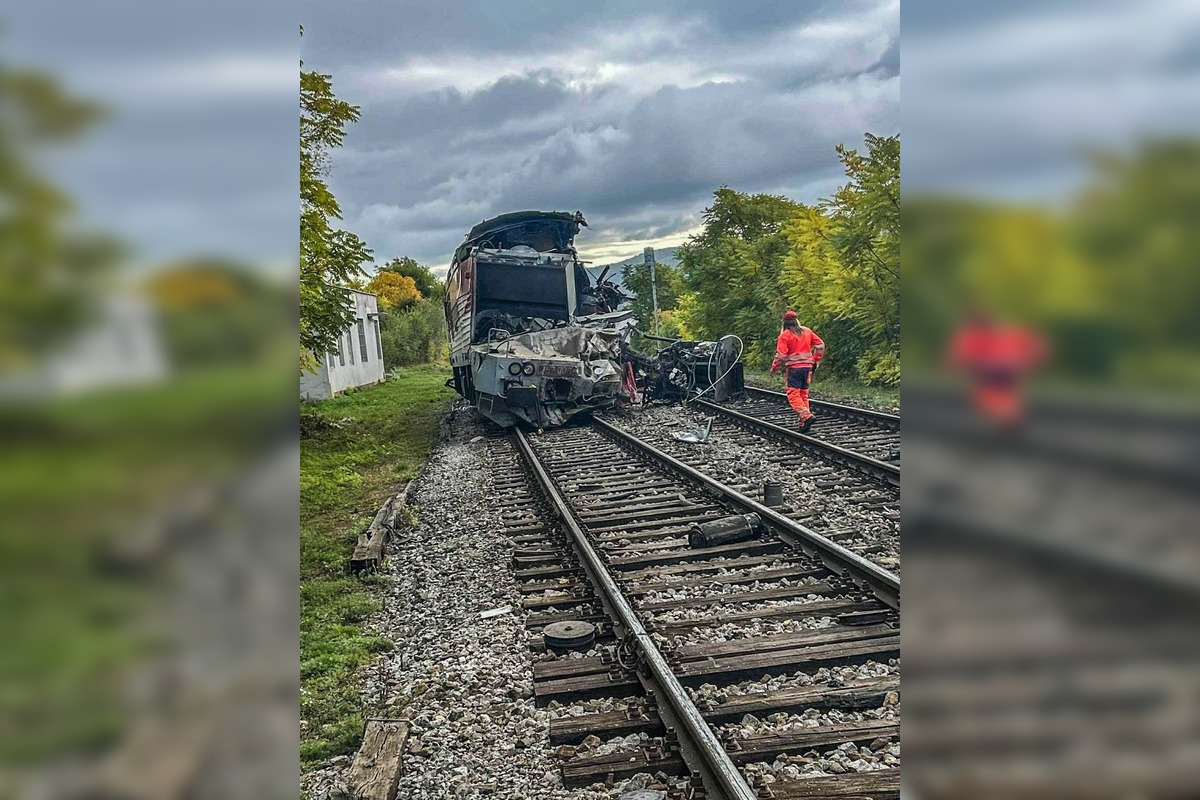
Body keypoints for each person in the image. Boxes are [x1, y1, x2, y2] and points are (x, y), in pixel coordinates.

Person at [946, 307, 1047, 428]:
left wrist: (1029, 362)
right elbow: (957, 360)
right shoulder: (973, 337)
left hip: (997, 377)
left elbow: (957, 361)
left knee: (1000, 400)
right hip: (993, 378)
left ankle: (1008, 417)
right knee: (998, 400)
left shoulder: (1006, 335)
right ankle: (1007, 417)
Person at [770, 311, 825, 432]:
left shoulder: (785, 335)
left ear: (784, 323)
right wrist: (815, 360)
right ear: (797, 320)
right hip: (808, 368)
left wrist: (774, 367)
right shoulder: (807, 331)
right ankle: (804, 423)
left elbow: (781, 356)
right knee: (803, 394)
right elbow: (820, 345)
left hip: (794, 369)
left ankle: (806, 416)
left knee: (793, 395)